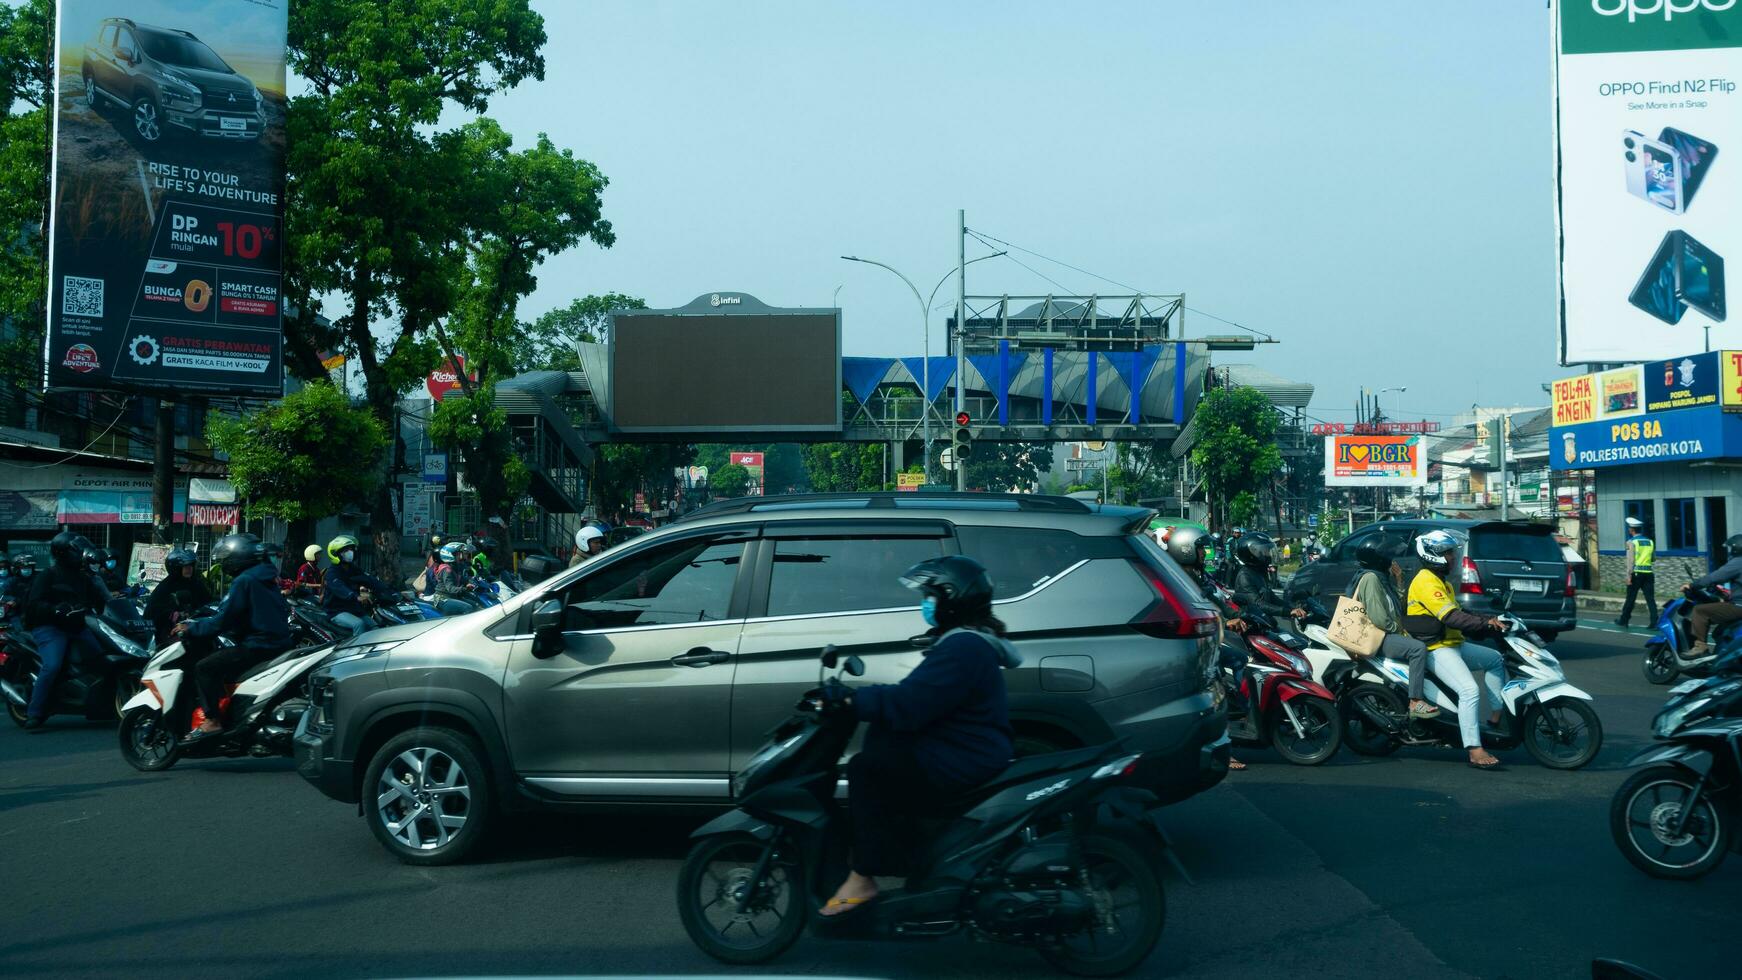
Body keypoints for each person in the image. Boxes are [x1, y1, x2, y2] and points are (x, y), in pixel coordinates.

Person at [820, 556, 1015, 916]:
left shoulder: (964, 647)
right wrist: (869, 697)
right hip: (967, 749)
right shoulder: (966, 642)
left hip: (966, 757)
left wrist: (854, 699)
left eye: (930, 596)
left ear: (952, 600)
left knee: (866, 770)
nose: (925, 603)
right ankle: (917, 861)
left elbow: (911, 703)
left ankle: (863, 876)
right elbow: (920, 694)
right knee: (885, 749)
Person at [1405, 529, 1508, 770]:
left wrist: (1490, 620)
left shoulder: (1441, 582)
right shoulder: (1425, 582)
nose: (1453, 557)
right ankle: (1474, 748)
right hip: (1435, 648)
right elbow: (1452, 617)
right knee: (1469, 691)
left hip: (1453, 644)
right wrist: (1484, 623)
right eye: (1449, 553)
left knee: (1495, 659)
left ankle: (1496, 717)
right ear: (1434, 556)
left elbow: (1462, 613)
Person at [173, 534, 292, 740]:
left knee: (204, 668)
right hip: (279, 644)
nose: (224, 561)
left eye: (227, 557)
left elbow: (222, 620)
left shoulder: (244, 580)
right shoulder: (267, 578)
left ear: (239, 556)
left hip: (258, 646)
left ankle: (212, 721)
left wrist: (191, 629)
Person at [1166, 525, 1252, 768]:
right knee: (1218, 691)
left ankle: (1245, 710)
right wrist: (1227, 620)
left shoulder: (1196, 574)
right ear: (1185, 550)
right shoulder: (1183, 578)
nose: (1205, 553)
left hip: (1205, 641)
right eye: (1200, 549)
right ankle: (1225, 748)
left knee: (1238, 659)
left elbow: (1215, 599)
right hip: (1192, 646)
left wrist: (1235, 613)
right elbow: (1198, 607)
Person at [20, 533, 109, 731]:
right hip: (51, 628)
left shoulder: (84, 577)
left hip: (77, 626)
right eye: (76, 551)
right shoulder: (48, 575)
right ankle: (34, 712)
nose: (80, 555)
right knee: (52, 666)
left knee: (101, 658)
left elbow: (101, 600)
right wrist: (54, 609)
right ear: (63, 553)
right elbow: (34, 604)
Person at [1350, 541, 1438, 720]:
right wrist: (1399, 630)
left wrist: (1399, 581)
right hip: (1378, 637)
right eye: (1387, 558)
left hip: (1386, 634)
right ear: (1378, 560)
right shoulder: (1370, 579)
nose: (1391, 562)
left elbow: (1395, 608)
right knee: (1417, 648)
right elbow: (1379, 618)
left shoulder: (1381, 579)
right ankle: (1415, 701)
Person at [320, 535, 397, 637]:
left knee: (375, 627)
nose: (350, 552)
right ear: (336, 554)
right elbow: (340, 588)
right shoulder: (332, 573)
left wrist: (393, 592)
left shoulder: (354, 569)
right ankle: (355, 651)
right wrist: (356, 596)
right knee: (359, 624)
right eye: (345, 550)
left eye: (351, 549)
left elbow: (371, 580)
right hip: (336, 611)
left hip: (354, 609)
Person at [1229, 532, 1306, 625]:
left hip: (1264, 621)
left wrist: (1293, 607)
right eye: (1264, 551)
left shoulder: (1258, 572)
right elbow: (1258, 604)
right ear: (1250, 553)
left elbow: (1272, 597)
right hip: (1252, 625)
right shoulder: (1244, 576)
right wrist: (1288, 612)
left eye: (1268, 550)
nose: (1268, 554)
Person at [1685, 534, 1742, 657]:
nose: (1730, 552)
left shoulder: (1738, 562)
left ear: (1736, 549)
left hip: (1739, 606)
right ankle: (1721, 654)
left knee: (1700, 611)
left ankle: (1700, 647)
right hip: (1738, 603)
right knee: (1719, 632)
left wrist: (1692, 585)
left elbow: (1714, 577)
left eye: (1731, 549)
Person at [145, 548, 211, 649]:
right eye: (185, 566)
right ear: (176, 569)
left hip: (195, 625)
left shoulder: (196, 583)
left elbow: (207, 601)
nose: (189, 569)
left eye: (191, 566)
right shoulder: (165, 587)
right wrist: (174, 614)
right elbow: (154, 612)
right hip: (170, 631)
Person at [1616, 516, 1657, 629]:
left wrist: (1628, 576)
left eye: (1629, 528)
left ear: (1632, 530)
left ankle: (1624, 620)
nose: (1629, 530)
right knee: (1650, 599)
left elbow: (1630, 561)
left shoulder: (1631, 542)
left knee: (1630, 598)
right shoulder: (1650, 541)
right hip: (1648, 573)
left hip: (1636, 574)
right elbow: (1653, 559)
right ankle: (1654, 622)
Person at [430, 542, 482, 616]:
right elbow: (450, 588)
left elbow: (463, 579)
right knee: (468, 608)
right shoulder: (446, 569)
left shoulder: (456, 567)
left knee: (475, 604)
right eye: (458, 554)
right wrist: (464, 588)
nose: (462, 556)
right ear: (450, 555)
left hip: (452, 596)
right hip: (443, 599)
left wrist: (470, 582)